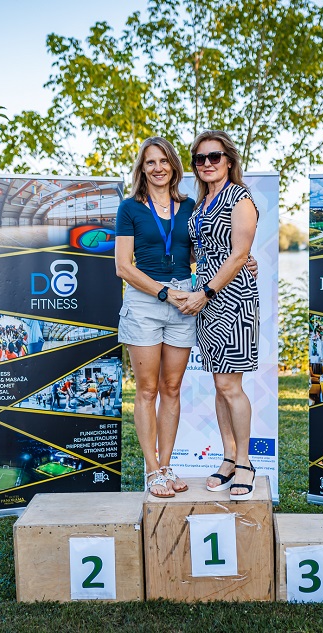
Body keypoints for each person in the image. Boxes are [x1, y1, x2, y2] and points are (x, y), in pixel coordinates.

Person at [178, 130, 260, 500]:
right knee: (219, 384)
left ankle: (244, 463)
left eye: (214, 156)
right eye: (200, 158)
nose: (207, 163)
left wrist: (206, 291)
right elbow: (202, 251)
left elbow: (240, 254)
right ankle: (228, 457)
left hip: (233, 299)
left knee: (231, 386)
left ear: (228, 160)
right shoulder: (200, 205)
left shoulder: (239, 197)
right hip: (206, 302)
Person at [115, 137, 199, 499]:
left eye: (164, 161)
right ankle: (151, 470)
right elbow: (123, 267)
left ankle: (167, 466)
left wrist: (245, 259)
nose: (158, 167)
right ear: (142, 168)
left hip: (183, 301)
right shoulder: (130, 208)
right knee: (147, 390)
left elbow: (198, 252)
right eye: (150, 162)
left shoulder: (189, 206)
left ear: (174, 166)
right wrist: (164, 292)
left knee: (172, 389)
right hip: (146, 301)